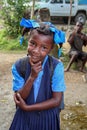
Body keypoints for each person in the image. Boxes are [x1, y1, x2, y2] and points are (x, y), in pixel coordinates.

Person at [9, 22, 66, 130]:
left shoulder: (56, 67)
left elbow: (56, 100)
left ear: (50, 49)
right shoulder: (19, 66)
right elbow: (20, 97)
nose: (36, 51)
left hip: (47, 119)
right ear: (28, 41)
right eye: (33, 44)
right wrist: (32, 77)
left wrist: (28, 108)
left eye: (44, 47)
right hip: (24, 118)